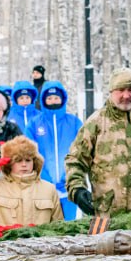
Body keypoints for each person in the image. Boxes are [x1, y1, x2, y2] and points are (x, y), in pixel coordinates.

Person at [64, 67, 131, 217]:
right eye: (121, 90)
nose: (126, 95)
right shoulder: (96, 123)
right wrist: (77, 190)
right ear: (111, 92)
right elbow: (75, 160)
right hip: (108, 217)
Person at [0, 136, 64, 226]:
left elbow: (58, 226)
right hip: (4, 244)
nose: (24, 164)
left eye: (28, 160)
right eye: (18, 160)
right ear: (9, 163)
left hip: (40, 244)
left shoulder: (48, 189)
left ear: (35, 162)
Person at [30, 80, 83, 219]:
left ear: (62, 99)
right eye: (49, 98)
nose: (53, 101)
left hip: (68, 186)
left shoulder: (73, 122)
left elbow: (82, 150)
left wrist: (70, 175)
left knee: (69, 225)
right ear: (43, 100)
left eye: (56, 98)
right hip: (42, 186)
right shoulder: (35, 123)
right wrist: (43, 176)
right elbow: (29, 152)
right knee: (45, 224)